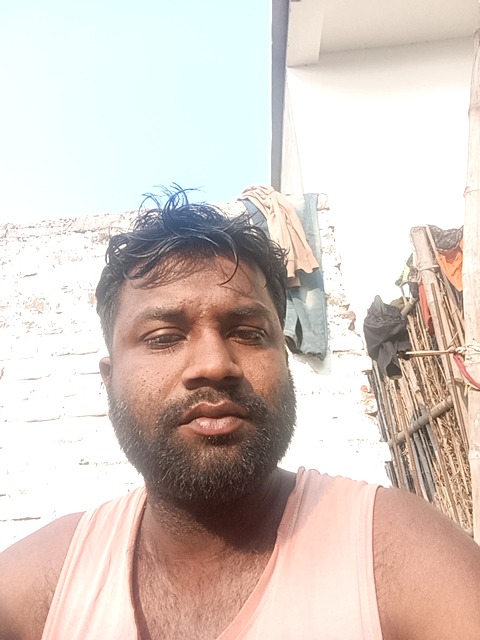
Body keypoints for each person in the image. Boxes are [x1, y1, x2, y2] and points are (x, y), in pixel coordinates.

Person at [1, 188, 480, 640]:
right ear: (110, 379)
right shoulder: (40, 588)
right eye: (164, 337)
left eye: (249, 333)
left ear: (285, 360)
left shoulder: (396, 556)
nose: (215, 365)